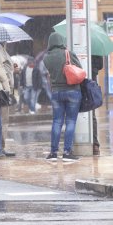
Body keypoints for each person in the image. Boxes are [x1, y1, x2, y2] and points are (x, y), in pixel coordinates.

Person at [43, 32, 83, 161]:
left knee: (57, 122)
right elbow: (80, 69)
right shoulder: (68, 54)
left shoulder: (47, 57)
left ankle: (53, 153)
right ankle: (67, 152)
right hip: (72, 91)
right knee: (70, 121)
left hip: (56, 92)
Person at [0, 42, 16, 156]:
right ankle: (0, 147)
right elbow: (3, 73)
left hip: (1, 91)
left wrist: (11, 67)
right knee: (3, 121)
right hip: (3, 91)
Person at [91, 55, 103, 155]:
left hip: (78, 82)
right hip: (92, 83)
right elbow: (100, 65)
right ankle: (95, 144)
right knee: (92, 114)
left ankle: (95, 143)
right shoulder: (96, 49)